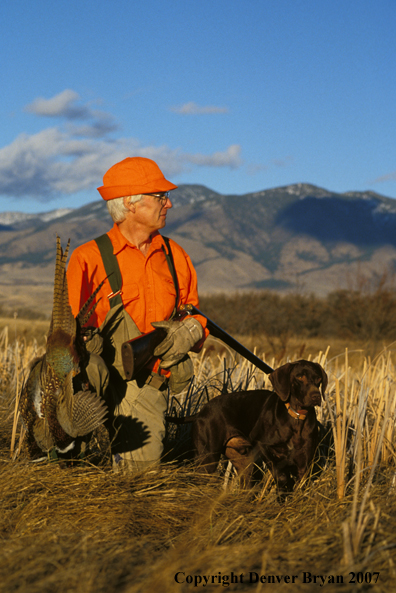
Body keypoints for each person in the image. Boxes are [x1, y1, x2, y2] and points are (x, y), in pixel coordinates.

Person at [67, 157, 207, 471]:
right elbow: (66, 335)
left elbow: (195, 314)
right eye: (160, 196)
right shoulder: (87, 258)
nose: (169, 203)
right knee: (70, 464)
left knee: (140, 479)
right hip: (95, 381)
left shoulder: (175, 256)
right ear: (131, 203)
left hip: (144, 382)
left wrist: (190, 332)